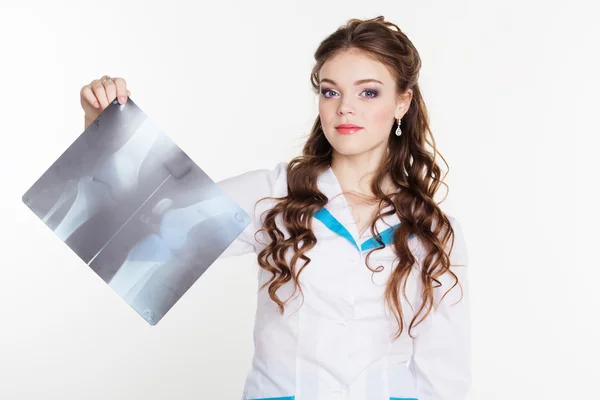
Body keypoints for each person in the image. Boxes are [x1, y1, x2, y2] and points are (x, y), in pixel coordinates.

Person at [80, 15, 471, 400]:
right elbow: (137, 233)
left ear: (403, 102)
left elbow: (444, 373)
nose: (345, 108)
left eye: (368, 92)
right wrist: (104, 127)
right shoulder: (272, 195)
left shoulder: (433, 231)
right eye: (331, 91)